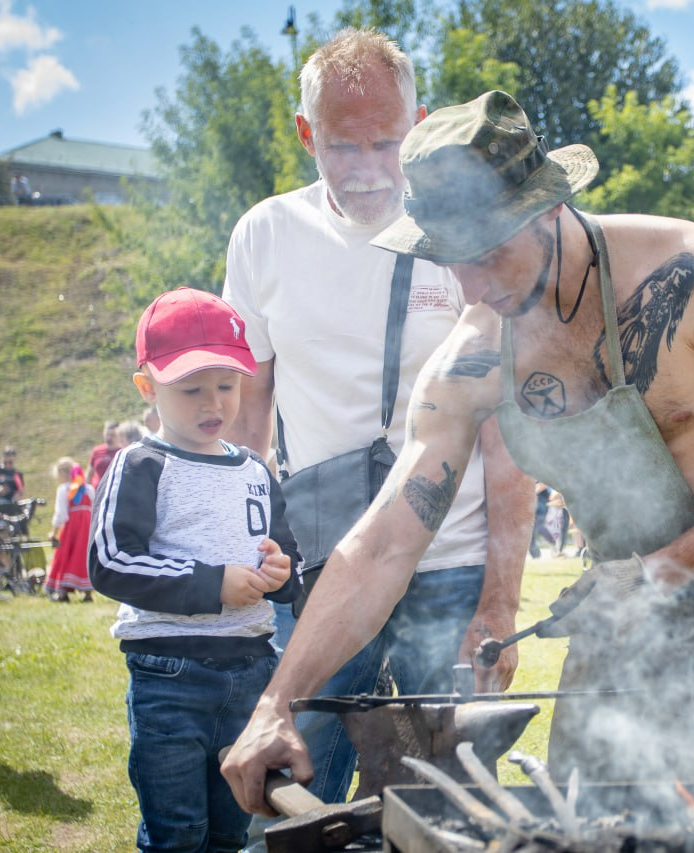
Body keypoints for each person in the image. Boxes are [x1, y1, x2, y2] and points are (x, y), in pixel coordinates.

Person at [222, 89, 694, 813]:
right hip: (621, 616)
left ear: (550, 207)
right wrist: (276, 702)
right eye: (449, 257)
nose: (471, 285)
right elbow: (382, 545)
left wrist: (662, 570)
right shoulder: (469, 360)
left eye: (490, 253)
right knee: (588, 822)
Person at [220, 32, 532, 827]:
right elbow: (251, 412)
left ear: (419, 124)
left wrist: (499, 600)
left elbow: (504, 434)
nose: (365, 167)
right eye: (341, 144)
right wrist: (249, 541)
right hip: (327, 561)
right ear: (304, 133)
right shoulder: (265, 234)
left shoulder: (463, 240)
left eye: (387, 142)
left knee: (452, 804)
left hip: (452, 559)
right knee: (293, 785)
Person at [89, 287, 301, 851]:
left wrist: (283, 574)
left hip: (250, 671)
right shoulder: (140, 464)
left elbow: (283, 552)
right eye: (190, 390)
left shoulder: (256, 469)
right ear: (147, 388)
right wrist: (213, 584)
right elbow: (111, 563)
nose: (213, 404)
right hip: (170, 675)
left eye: (227, 386)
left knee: (234, 828)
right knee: (177, 832)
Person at [45, 458, 94, 602]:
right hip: (87, 526)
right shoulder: (87, 488)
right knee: (83, 555)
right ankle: (87, 593)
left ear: (62, 473)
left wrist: (53, 532)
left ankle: (63, 592)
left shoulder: (64, 489)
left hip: (72, 526)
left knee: (66, 555)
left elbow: (61, 513)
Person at [0, 446, 25, 512]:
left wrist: (17, 496)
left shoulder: (17, 474)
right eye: (5, 462)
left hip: (11, 504)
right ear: (3, 457)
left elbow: (21, 491)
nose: (8, 464)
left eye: (10, 462)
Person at [87, 420, 120, 487]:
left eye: (112, 435)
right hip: (96, 493)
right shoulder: (96, 451)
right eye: (107, 434)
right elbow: (89, 473)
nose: (109, 438)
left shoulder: (122, 452)